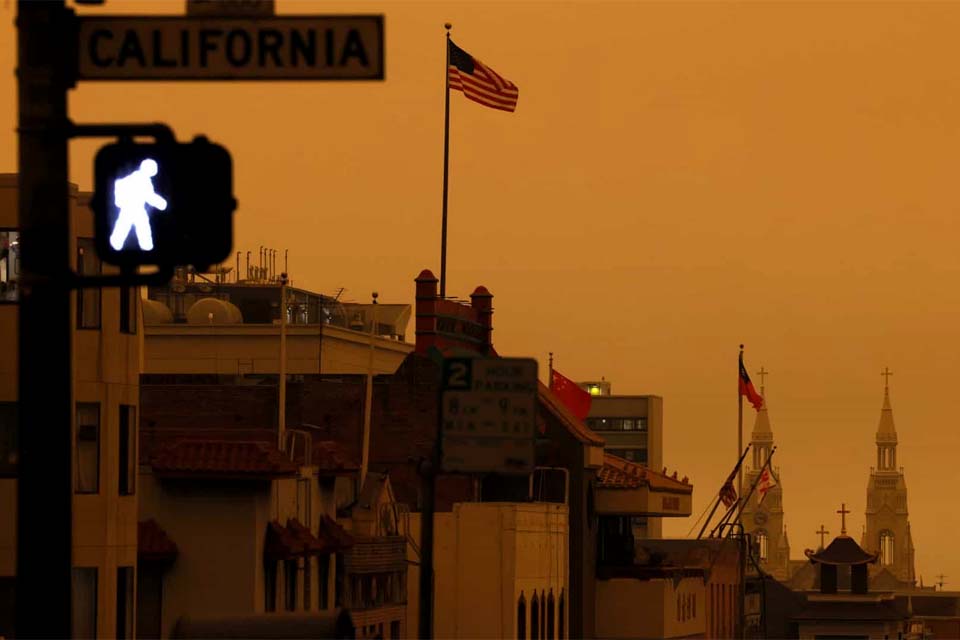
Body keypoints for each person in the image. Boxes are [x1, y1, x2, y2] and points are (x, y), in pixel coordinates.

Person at [109, 158, 167, 251]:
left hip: (133, 207)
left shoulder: (137, 177)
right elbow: (149, 196)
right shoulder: (142, 179)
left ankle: (117, 242)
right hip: (133, 207)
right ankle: (145, 246)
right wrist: (161, 204)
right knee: (139, 226)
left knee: (128, 225)